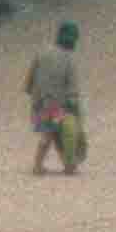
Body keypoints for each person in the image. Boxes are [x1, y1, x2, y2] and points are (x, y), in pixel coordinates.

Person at [24, 22, 88, 173]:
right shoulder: (68, 60)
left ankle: (40, 164)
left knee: (49, 134)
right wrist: (75, 110)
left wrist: (32, 93)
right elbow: (72, 90)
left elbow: (30, 80)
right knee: (64, 134)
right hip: (57, 106)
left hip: (39, 103)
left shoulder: (41, 53)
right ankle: (65, 165)